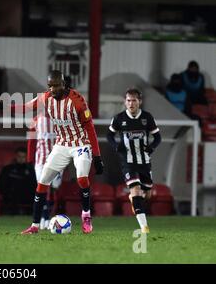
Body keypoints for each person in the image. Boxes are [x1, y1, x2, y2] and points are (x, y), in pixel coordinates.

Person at [16, 70, 104, 235]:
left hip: (80, 144)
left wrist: (97, 156)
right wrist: (5, 106)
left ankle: (86, 216)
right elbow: (26, 107)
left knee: (82, 178)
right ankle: (35, 226)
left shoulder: (77, 101)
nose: (53, 89)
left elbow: (90, 128)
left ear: (64, 84)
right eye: (50, 86)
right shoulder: (45, 97)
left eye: (56, 85)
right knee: (42, 183)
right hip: (61, 145)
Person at [106, 88, 162, 234]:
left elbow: (158, 137)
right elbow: (109, 135)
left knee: (147, 194)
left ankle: (135, 199)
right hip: (128, 161)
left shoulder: (147, 118)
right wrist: (115, 145)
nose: (131, 104)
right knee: (135, 190)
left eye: (134, 100)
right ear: (125, 102)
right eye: (128, 100)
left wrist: (152, 147)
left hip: (144, 161)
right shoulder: (119, 119)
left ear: (140, 102)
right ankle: (144, 226)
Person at [27, 113, 63, 230]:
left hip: (57, 160)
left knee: (53, 188)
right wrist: (29, 159)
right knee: (43, 188)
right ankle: (44, 216)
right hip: (40, 160)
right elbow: (31, 140)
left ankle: (47, 215)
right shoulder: (35, 119)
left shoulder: (62, 118)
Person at [0, 147, 37, 215]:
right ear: (16, 156)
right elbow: (1, 185)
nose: (21, 159)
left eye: (23, 157)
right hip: (10, 197)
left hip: (27, 197)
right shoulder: (7, 169)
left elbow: (34, 185)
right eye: (19, 156)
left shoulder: (32, 170)